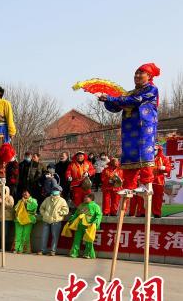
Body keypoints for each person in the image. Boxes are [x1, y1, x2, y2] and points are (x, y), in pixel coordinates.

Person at [99, 63, 161, 215]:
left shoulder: (151, 90)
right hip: (129, 129)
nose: (137, 76)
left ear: (149, 76)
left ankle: (146, 184)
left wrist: (113, 98)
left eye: (141, 73)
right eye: (136, 74)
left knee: (143, 153)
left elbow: (134, 101)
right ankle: (129, 186)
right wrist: (106, 100)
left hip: (144, 126)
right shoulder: (129, 93)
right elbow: (116, 107)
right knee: (129, 156)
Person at [65, 193, 102, 259]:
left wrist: (95, 222)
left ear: (91, 199)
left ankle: (88, 254)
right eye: (84, 197)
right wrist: (71, 220)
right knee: (76, 240)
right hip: (79, 225)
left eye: (86, 198)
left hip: (89, 226)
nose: (84, 199)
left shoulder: (96, 206)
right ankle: (74, 253)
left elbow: (99, 215)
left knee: (89, 241)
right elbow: (76, 214)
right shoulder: (81, 205)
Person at [38, 184, 69, 256]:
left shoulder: (62, 200)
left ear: (60, 192)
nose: (55, 191)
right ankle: (43, 250)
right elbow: (41, 208)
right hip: (46, 220)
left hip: (56, 220)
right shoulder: (47, 199)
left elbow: (66, 210)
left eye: (57, 190)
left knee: (55, 236)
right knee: (44, 236)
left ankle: (53, 251)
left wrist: (60, 213)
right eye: (54, 189)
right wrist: (44, 214)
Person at [0, 186, 14, 251]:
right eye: (0, 191)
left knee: (5, 234)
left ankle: (4, 247)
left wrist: (2, 202)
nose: (1, 192)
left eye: (3, 191)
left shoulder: (10, 197)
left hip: (6, 218)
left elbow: (11, 206)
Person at [152, 145, 172, 218]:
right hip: (147, 180)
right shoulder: (147, 157)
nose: (154, 151)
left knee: (157, 198)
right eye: (153, 149)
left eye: (155, 150)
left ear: (159, 150)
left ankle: (156, 213)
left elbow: (169, 168)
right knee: (144, 198)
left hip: (158, 181)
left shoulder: (163, 158)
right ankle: (142, 213)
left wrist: (164, 167)